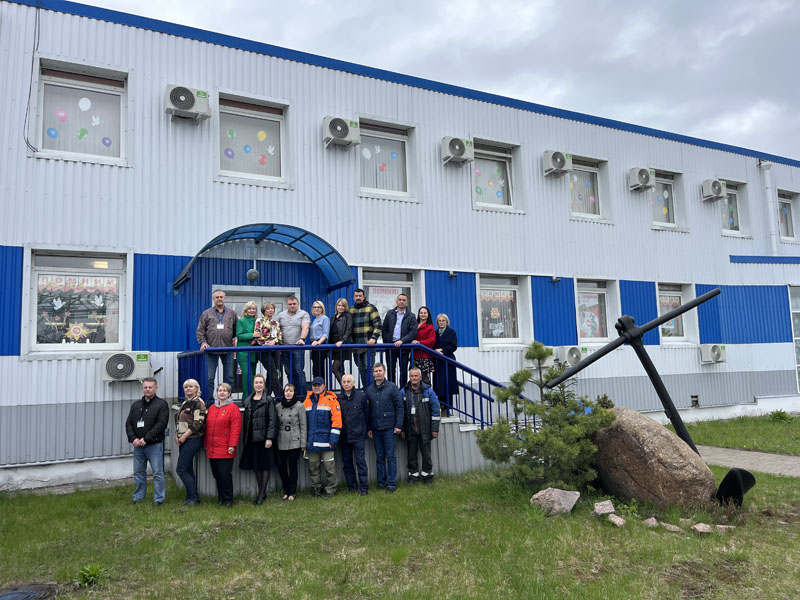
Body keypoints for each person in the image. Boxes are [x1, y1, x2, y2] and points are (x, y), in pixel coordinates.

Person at [125, 377, 169, 505]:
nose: (148, 389)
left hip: (154, 445)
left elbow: (161, 424)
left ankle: (159, 499)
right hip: (138, 446)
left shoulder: (161, 404)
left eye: (150, 387)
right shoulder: (136, 405)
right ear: (142, 389)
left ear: (156, 388)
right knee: (139, 473)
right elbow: (129, 423)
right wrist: (133, 439)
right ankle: (138, 497)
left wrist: (146, 439)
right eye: (145, 387)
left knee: (158, 473)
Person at [365, 363, 403, 493]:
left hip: (390, 428)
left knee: (391, 456)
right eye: (376, 371)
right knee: (379, 457)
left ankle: (391, 483)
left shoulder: (392, 387)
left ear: (384, 372)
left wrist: (398, 425)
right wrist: (369, 428)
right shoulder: (369, 390)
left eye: (380, 371)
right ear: (373, 374)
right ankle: (381, 482)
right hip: (375, 428)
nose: (378, 373)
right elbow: (367, 411)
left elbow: (399, 407)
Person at [240, 374, 277, 505]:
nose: (258, 385)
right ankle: (262, 492)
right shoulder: (248, 400)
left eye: (261, 382)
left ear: (264, 384)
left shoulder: (268, 400)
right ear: (253, 384)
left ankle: (261, 494)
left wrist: (269, 438)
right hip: (252, 438)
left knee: (264, 466)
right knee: (256, 466)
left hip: (264, 438)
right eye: (256, 382)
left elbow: (272, 420)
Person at [196, 290, 238, 405]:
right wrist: (203, 342)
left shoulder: (232, 314)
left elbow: (236, 330)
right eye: (217, 297)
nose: (219, 299)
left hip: (228, 349)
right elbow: (200, 331)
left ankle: (227, 400)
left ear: (224, 298)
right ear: (213, 299)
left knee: (229, 377)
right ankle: (210, 401)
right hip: (211, 350)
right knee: (209, 377)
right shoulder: (206, 313)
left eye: (221, 297)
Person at [401, 368, 441, 485]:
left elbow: (436, 410)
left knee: (426, 455)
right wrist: (402, 429)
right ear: (409, 377)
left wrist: (434, 429)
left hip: (425, 430)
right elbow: (400, 412)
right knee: (411, 455)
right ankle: (413, 476)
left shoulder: (428, 391)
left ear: (420, 377)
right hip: (410, 430)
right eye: (412, 376)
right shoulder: (403, 392)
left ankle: (427, 476)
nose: (414, 378)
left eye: (416, 376)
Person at [205, 383, 242, 508]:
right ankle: (221, 498)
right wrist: (206, 444)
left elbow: (235, 429)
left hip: (226, 448)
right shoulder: (212, 408)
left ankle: (229, 499)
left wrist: (232, 445)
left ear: (229, 393)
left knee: (225, 475)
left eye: (224, 391)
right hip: (212, 448)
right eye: (220, 390)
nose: (222, 392)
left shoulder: (233, 408)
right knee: (216, 475)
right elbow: (208, 428)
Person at [304, 376, 341, 497]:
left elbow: (337, 422)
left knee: (329, 468)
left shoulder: (331, 400)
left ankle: (331, 490)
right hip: (312, 441)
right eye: (314, 385)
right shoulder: (306, 401)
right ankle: (316, 489)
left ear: (324, 386)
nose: (316, 387)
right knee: (313, 468)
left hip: (327, 442)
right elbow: (303, 424)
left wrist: (333, 440)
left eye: (319, 385)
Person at [174, 378, 206, 506]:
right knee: (187, 468)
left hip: (193, 438)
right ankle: (191, 497)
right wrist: (176, 434)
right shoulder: (185, 403)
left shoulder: (198, 403)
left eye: (191, 386)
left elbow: (198, 422)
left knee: (181, 469)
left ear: (196, 389)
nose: (188, 389)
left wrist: (184, 436)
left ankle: (193, 497)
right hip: (183, 439)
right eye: (186, 387)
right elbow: (179, 421)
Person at [337, 374, 370, 495]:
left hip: (358, 435)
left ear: (353, 383)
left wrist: (364, 429)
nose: (346, 384)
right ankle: (352, 487)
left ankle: (364, 488)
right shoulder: (338, 398)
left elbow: (367, 414)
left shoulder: (361, 396)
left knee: (360, 462)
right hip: (344, 436)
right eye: (344, 382)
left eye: (348, 382)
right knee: (347, 464)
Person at [275, 383, 306, 501]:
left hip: (294, 439)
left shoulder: (299, 406)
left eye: (291, 391)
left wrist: (303, 443)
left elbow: (303, 425)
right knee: (282, 467)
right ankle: (286, 490)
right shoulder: (278, 406)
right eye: (286, 391)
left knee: (293, 467)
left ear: (294, 393)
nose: (288, 393)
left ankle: (292, 492)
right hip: (281, 439)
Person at [381, 293, 418, 387]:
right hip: (390, 346)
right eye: (400, 300)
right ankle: (392, 390)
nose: (401, 301)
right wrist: (387, 342)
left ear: (407, 302)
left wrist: (402, 340)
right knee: (390, 370)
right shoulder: (390, 313)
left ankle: (402, 391)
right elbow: (384, 329)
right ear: (396, 301)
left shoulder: (411, 316)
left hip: (404, 347)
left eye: (403, 300)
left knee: (403, 371)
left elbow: (413, 332)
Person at [276, 296, 310, 398]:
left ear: (298, 304)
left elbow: (305, 327)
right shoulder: (281, 315)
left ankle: (302, 395)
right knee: (288, 372)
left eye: (294, 304)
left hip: (297, 347)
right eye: (290, 304)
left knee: (298, 371)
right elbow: (276, 329)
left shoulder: (304, 314)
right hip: (284, 348)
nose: (292, 306)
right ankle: (292, 395)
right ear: (286, 305)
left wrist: (302, 339)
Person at [350, 289, 381, 387]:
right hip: (356, 346)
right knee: (361, 369)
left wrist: (373, 338)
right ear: (353, 297)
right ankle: (366, 390)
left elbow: (378, 324)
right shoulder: (351, 310)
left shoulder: (371, 308)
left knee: (369, 368)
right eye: (356, 296)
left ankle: (372, 391)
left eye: (360, 296)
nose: (358, 298)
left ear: (364, 297)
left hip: (368, 344)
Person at [254, 302, 283, 397]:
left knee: (272, 373)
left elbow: (279, 336)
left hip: (275, 350)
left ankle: (266, 396)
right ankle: (280, 396)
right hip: (263, 350)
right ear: (264, 311)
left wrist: (274, 341)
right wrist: (267, 343)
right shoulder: (259, 321)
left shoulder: (276, 323)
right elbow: (257, 336)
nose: (270, 310)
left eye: (272, 308)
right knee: (273, 372)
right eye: (268, 308)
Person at [434, 313, 459, 416]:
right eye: (439, 321)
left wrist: (442, 350)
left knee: (448, 384)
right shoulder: (435, 333)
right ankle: (440, 405)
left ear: (447, 322)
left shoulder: (451, 332)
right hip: (438, 361)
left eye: (443, 321)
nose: (441, 322)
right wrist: (435, 350)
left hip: (448, 361)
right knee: (439, 384)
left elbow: (453, 346)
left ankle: (447, 407)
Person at [236, 301, 259, 398]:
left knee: (253, 375)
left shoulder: (257, 321)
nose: (251, 310)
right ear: (246, 310)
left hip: (254, 352)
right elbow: (239, 335)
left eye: (254, 309)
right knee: (246, 376)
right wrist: (252, 335)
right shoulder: (241, 321)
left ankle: (253, 397)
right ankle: (246, 399)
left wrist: (256, 339)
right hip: (243, 352)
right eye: (249, 308)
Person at [328, 298, 353, 389]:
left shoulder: (348, 316)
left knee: (334, 368)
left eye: (343, 306)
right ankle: (346, 390)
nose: (340, 307)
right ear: (336, 306)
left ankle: (346, 388)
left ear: (346, 307)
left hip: (342, 344)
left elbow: (349, 330)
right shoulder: (333, 317)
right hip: (334, 345)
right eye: (339, 305)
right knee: (340, 369)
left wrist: (342, 341)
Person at [412, 306, 436, 384]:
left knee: (424, 377)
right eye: (421, 313)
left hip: (424, 356)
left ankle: (427, 391)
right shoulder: (415, 325)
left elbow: (432, 341)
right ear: (418, 314)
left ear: (428, 315)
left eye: (425, 313)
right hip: (414, 355)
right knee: (414, 377)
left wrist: (419, 343)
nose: (423, 314)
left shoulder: (430, 327)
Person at [309, 300, 330, 381]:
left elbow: (325, 334)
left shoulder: (325, 318)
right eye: (315, 307)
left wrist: (318, 342)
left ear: (322, 309)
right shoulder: (315, 320)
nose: (316, 309)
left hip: (320, 344)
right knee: (315, 368)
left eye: (319, 307)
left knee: (318, 368)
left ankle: (321, 385)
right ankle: (316, 385)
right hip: (314, 345)